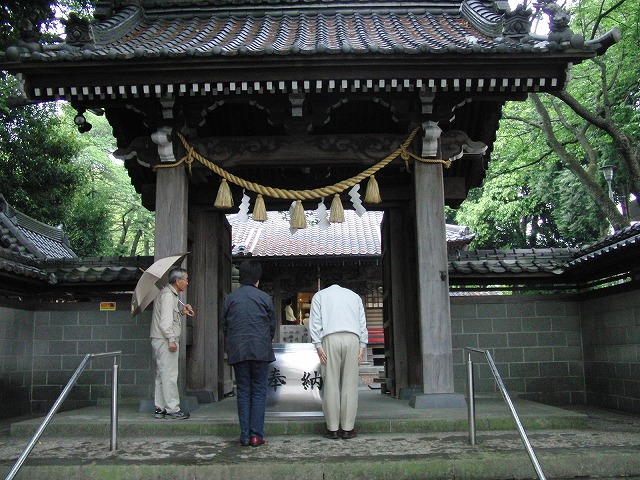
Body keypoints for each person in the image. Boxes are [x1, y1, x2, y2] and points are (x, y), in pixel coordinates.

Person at [222, 260, 276, 447]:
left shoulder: (230, 298)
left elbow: (225, 326)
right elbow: (271, 327)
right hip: (260, 349)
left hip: (238, 349)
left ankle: (244, 435)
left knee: (243, 390)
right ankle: (256, 435)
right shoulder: (264, 298)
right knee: (260, 390)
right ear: (257, 279)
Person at [309, 280, 368, 440]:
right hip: (352, 338)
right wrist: (362, 345)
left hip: (330, 339)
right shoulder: (354, 296)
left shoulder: (319, 295)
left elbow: (315, 322)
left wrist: (318, 345)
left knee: (331, 384)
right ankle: (348, 428)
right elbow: (362, 322)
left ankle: (333, 428)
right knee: (350, 384)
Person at [150, 267, 194, 420]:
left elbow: (169, 317)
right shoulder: (168, 295)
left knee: (161, 375)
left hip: (159, 339)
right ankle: (172, 409)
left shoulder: (170, 294)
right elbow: (165, 323)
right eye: (186, 280)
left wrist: (181, 312)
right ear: (178, 281)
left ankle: (160, 407)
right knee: (169, 374)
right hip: (164, 339)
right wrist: (171, 339)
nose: (187, 283)